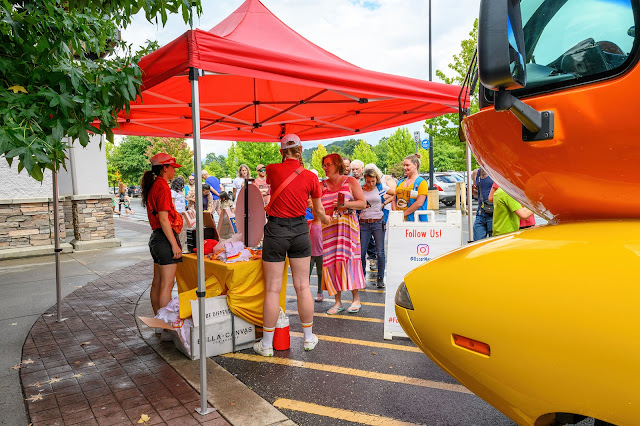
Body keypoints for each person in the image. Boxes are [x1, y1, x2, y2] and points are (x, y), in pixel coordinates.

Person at [255, 134, 329, 357]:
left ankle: (267, 344)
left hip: (276, 230)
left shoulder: (272, 169)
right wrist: (326, 219)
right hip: (299, 231)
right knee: (303, 287)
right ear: (301, 150)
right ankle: (308, 339)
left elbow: (271, 185)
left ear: (281, 152)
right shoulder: (310, 177)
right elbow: (318, 212)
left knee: (273, 289)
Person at [321, 153, 367, 315]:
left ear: (338, 165)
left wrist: (345, 204)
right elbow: (317, 208)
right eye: (324, 165)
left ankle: (355, 299)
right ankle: (337, 301)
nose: (325, 168)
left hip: (348, 230)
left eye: (328, 164)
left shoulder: (350, 181)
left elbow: (362, 203)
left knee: (351, 260)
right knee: (332, 263)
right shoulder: (322, 185)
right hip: (329, 231)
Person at [140, 153, 183, 314]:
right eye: (172, 167)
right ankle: (165, 326)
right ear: (165, 168)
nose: (174, 171)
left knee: (157, 282)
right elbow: (164, 219)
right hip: (165, 239)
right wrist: (174, 244)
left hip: (156, 239)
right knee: (167, 285)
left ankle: (159, 323)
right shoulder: (163, 186)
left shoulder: (154, 185)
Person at [360, 168, 393, 288]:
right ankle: (361, 277)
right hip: (364, 223)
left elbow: (396, 193)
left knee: (380, 252)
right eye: (368, 181)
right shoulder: (361, 189)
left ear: (376, 179)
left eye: (373, 181)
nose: (371, 184)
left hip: (378, 222)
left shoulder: (380, 187)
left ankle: (380, 278)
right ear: (365, 179)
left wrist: (384, 203)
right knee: (361, 253)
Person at [394, 154, 428, 221]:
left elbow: (419, 203)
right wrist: (395, 213)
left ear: (415, 165)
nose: (404, 168)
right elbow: (394, 200)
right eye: (404, 165)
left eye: (407, 165)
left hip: (415, 222)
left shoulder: (422, 182)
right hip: (399, 221)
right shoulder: (400, 182)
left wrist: (403, 214)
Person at [308, 199, 324, 302]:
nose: (316, 214)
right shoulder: (309, 224)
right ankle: (305, 293)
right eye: (314, 212)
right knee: (306, 274)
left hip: (321, 253)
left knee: (320, 273)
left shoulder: (324, 224)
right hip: (310, 254)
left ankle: (320, 292)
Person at [472, 168, 494, 240]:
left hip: (493, 211)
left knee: (493, 242)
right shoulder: (476, 173)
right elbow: (477, 194)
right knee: (477, 242)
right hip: (481, 211)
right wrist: (473, 191)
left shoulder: (494, 171)